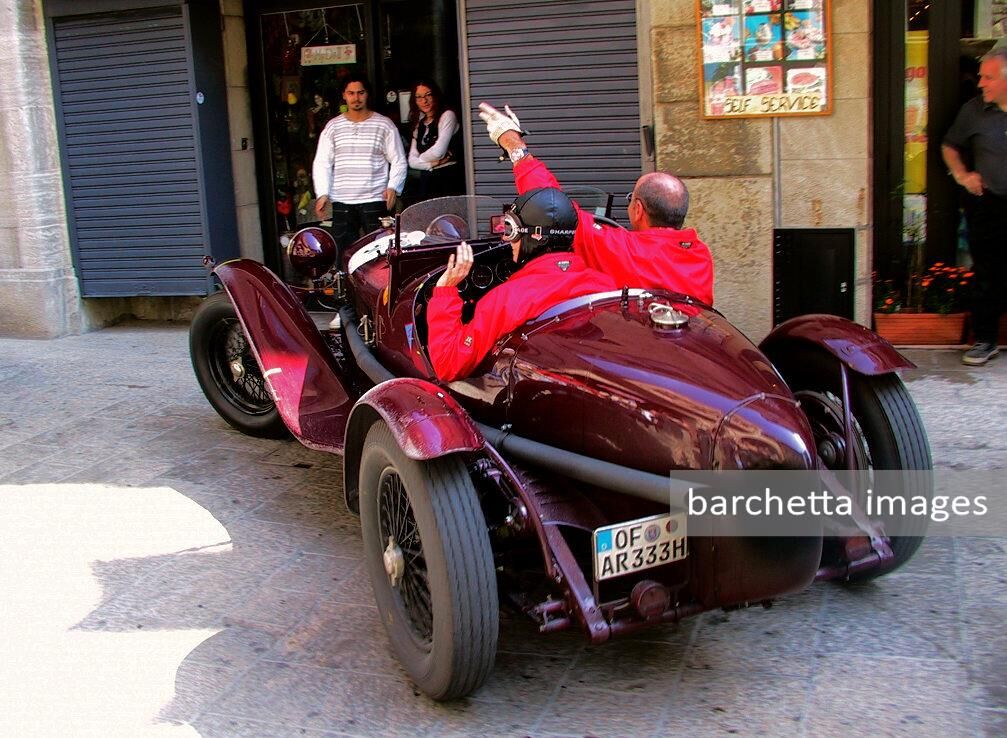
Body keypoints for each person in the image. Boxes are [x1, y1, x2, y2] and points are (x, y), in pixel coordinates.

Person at [477, 102, 715, 305]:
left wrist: (513, 144)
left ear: (639, 210)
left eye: (631, 199)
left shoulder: (621, 250)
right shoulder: (700, 256)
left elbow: (550, 204)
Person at [427, 188, 617, 381]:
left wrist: (445, 292)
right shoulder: (606, 285)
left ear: (535, 236)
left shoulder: (506, 300)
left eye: (510, 230)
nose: (505, 239)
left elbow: (447, 365)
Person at [941, 46, 1007, 366]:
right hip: (990, 203)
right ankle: (985, 341)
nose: (980, 82)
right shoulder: (974, 111)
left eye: (988, 77)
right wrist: (962, 174)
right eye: (981, 76)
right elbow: (950, 146)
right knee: (987, 274)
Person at [312, 74, 406, 251]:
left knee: (381, 253)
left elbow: (399, 160)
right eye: (351, 93)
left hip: (375, 199)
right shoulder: (333, 127)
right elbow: (322, 162)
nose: (356, 98)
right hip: (342, 201)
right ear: (344, 95)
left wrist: (393, 186)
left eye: (360, 93)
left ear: (367, 94)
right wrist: (323, 193)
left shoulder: (384, 125)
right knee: (345, 254)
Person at [404, 79, 463, 204]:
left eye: (428, 95)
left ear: (435, 95)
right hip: (427, 182)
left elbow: (438, 152)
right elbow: (411, 162)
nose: (424, 101)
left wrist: (421, 159)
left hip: (448, 180)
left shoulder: (447, 116)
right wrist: (433, 164)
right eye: (419, 97)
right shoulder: (419, 123)